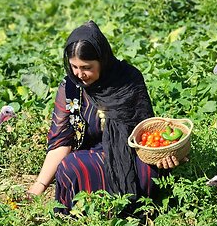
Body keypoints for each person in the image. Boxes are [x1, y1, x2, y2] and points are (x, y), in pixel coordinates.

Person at [27, 20, 184, 214]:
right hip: (93, 154)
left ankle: (136, 214)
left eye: (86, 67)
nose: (79, 74)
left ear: (102, 60)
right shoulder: (71, 88)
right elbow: (61, 142)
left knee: (148, 172)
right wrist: (39, 186)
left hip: (131, 153)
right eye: (74, 67)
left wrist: (162, 154)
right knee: (70, 167)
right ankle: (85, 214)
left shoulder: (127, 80)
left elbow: (145, 132)